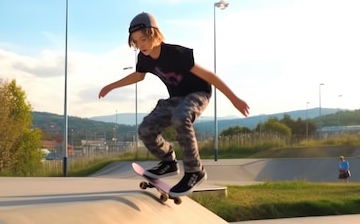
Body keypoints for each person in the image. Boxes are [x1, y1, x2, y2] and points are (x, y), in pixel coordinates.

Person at [98, 12, 250, 197]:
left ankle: (195, 171)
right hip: (176, 98)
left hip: (198, 93)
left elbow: (209, 76)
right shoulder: (144, 58)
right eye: (136, 42)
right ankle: (168, 161)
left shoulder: (176, 54)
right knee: (146, 129)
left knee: (181, 117)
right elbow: (138, 76)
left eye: (144, 39)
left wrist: (234, 98)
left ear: (155, 35)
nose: (141, 45)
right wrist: (111, 86)